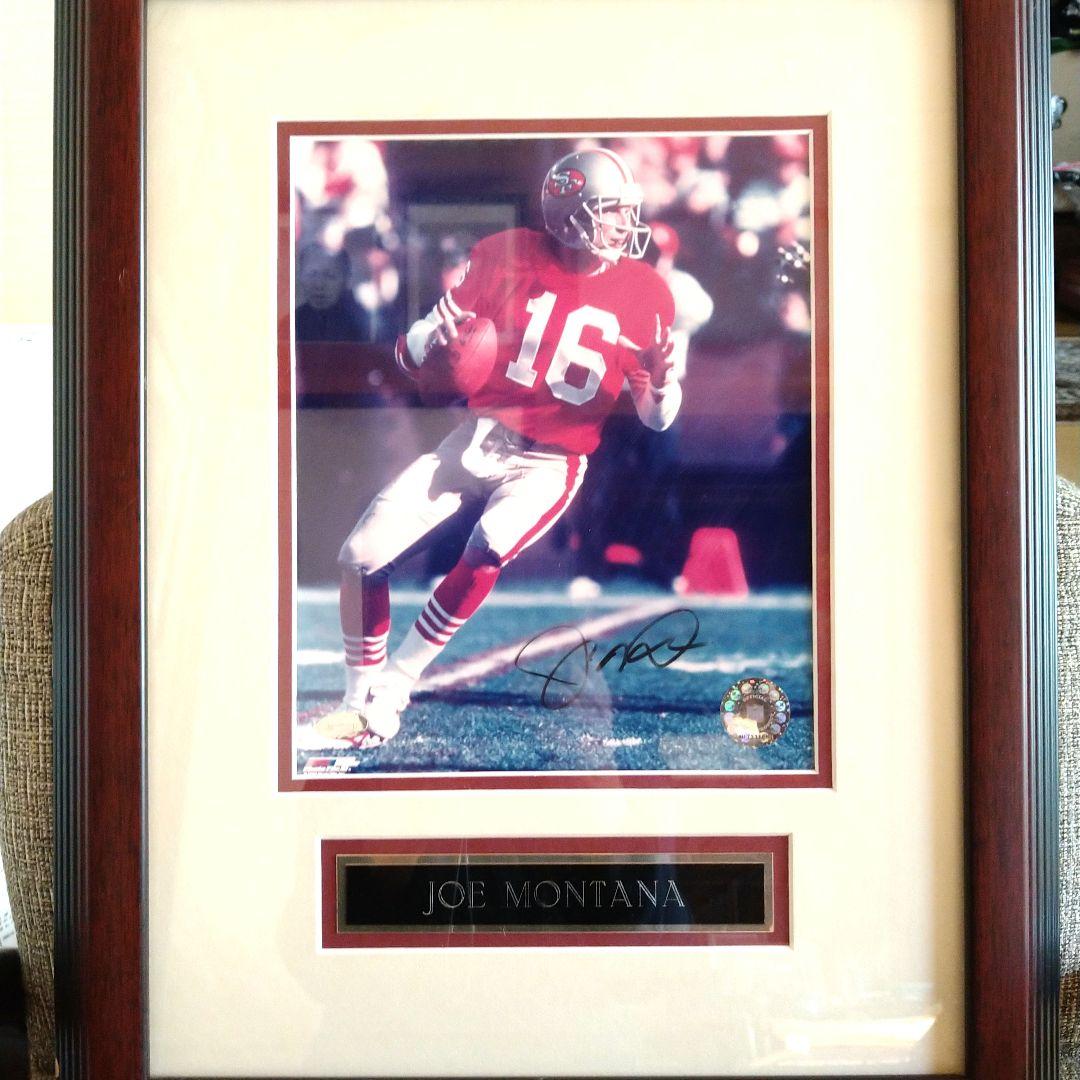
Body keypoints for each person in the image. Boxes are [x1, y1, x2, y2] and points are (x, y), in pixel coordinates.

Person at [320, 147, 680, 747]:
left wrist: (661, 383)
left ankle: (398, 684)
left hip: (550, 462)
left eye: (625, 210)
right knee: (359, 556)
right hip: (478, 435)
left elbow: (658, 418)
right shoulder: (505, 255)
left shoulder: (645, 292)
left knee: (488, 544)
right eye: (611, 210)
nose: (625, 223)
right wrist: (435, 344)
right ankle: (357, 701)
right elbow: (412, 349)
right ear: (571, 216)